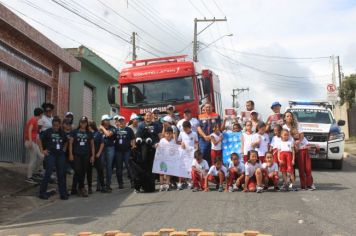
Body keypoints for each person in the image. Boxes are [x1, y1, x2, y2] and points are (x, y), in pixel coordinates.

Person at [38, 117, 68, 200]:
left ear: (60, 125)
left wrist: (64, 148)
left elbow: (66, 140)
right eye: (54, 125)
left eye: (57, 125)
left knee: (61, 174)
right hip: (51, 154)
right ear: (52, 125)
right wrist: (42, 150)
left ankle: (63, 193)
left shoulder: (62, 133)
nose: (56, 127)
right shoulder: (48, 132)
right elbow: (39, 139)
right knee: (48, 172)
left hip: (60, 155)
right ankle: (42, 192)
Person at [69, 116, 95, 197]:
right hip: (77, 154)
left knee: (83, 171)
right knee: (78, 170)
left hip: (86, 155)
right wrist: (70, 154)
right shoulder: (74, 132)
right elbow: (70, 143)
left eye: (84, 122)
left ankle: (80, 188)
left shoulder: (89, 133)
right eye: (81, 122)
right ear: (79, 123)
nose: (83, 124)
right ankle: (82, 187)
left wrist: (93, 156)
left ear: (87, 123)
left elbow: (92, 145)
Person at [113, 116, 135, 189]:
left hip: (127, 151)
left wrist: (133, 146)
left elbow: (133, 139)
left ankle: (132, 181)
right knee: (119, 168)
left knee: (129, 166)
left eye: (122, 121)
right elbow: (112, 139)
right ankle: (120, 183)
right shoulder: (115, 130)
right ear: (118, 123)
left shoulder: (129, 129)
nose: (121, 122)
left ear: (125, 122)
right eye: (120, 121)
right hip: (118, 151)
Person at [177, 120, 199, 190]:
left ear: (190, 127)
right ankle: (180, 183)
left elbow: (196, 142)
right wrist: (181, 143)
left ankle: (190, 182)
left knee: (190, 167)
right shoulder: (181, 133)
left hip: (191, 153)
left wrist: (196, 148)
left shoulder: (194, 134)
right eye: (184, 129)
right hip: (183, 153)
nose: (185, 130)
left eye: (186, 128)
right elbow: (178, 141)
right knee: (181, 167)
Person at [24, 107, 44, 184]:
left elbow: (35, 134)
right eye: (42, 113)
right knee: (33, 160)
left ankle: (34, 172)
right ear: (40, 114)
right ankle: (29, 177)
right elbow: (29, 129)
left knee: (41, 156)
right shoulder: (33, 120)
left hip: (33, 142)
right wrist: (30, 141)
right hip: (30, 142)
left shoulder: (35, 120)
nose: (42, 115)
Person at [99, 114, 116, 193]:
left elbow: (108, 134)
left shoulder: (113, 128)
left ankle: (108, 185)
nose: (108, 121)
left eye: (109, 120)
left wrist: (102, 128)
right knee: (101, 166)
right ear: (103, 121)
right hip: (101, 149)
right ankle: (100, 184)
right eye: (107, 120)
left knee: (109, 167)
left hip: (110, 148)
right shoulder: (99, 129)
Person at [88, 121, 106, 193]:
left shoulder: (98, 133)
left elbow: (102, 144)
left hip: (97, 155)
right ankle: (90, 188)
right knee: (89, 172)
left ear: (91, 126)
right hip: (89, 156)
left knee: (100, 171)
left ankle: (102, 186)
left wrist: (98, 153)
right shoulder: (87, 133)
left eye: (88, 125)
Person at [157, 126, 175, 191]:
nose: (168, 135)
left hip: (169, 159)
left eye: (170, 133)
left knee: (168, 172)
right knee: (161, 173)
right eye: (167, 133)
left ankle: (167, 184)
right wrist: (157, 145)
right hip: (162, 159)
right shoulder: (162, 140)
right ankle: (161, 185)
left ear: (172, 134)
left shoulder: (173, 141)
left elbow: (175, 150)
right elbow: (158, 147)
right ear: (164, 134)